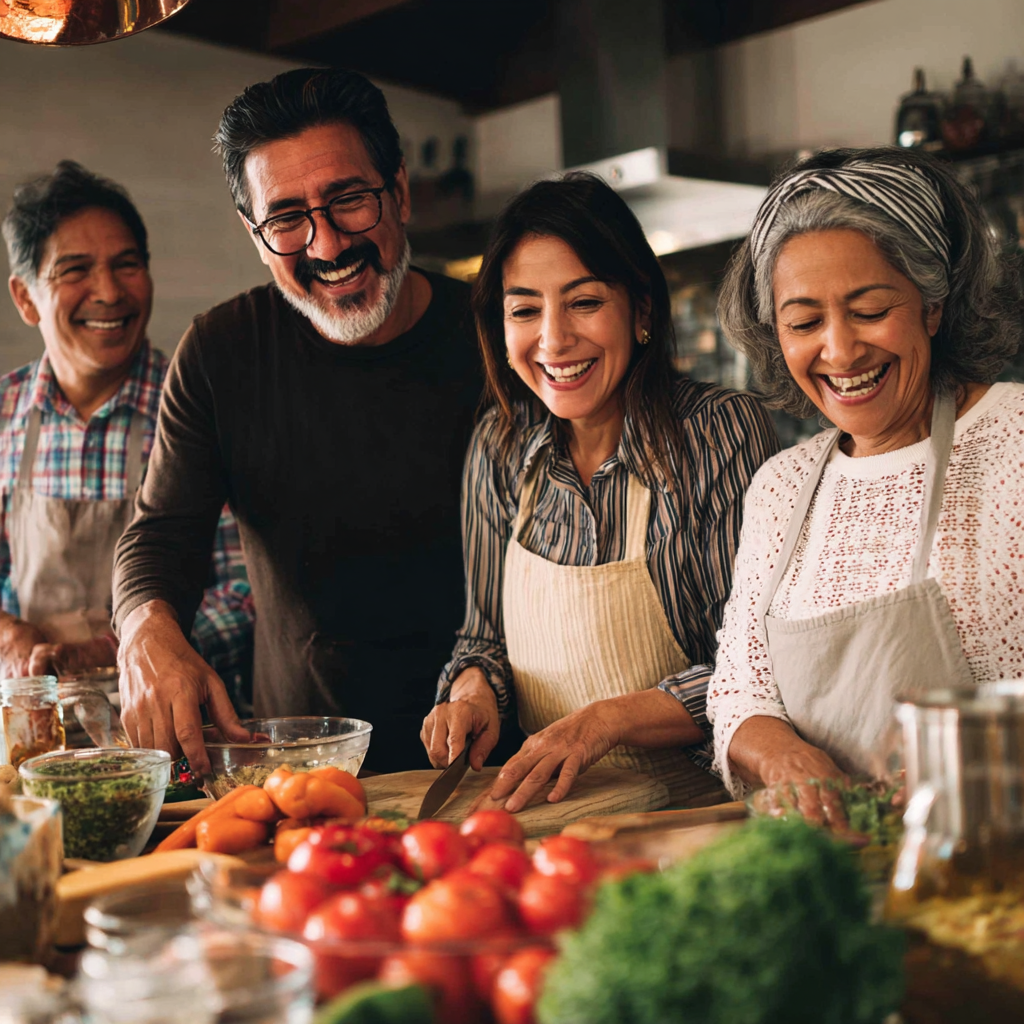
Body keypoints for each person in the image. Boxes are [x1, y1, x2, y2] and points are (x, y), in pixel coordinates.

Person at [112, 68, 483, 776]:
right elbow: (161, 535)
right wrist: (145, 628)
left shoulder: (498, 337)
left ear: (398, 193)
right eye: (286, 218)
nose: (326, 244)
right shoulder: (223, 351)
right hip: (306, 769)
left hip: (496, 758)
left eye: (348, 200)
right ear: (256, 235)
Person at [421, 174, 779, 810]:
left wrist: (601, 722)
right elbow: (482, 637)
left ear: (641, 309)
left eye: (583, 302)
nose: (553, 341)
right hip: (552, 817)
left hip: (698, 815)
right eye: (525, 309)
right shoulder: (500, 447)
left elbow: (757, 666)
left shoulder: (718, 432)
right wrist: (473, 689)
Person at [706, 147, 1024, 820]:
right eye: (804, 323)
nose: (841, 351)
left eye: (870, 309)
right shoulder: (782, 487)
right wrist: (789, 763)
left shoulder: (1015, 439)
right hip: (842, 866)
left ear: (932, 307)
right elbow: (740, 692)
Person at [0, 160, 253, 689]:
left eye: (127, 264)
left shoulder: (199, 405)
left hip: (179, 736)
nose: (110, 293)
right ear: (25, 298)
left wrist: (127, 649)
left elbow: (246, 596)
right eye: (75, 270)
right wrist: (10, 637)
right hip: (33, 732)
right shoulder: (5, 410)